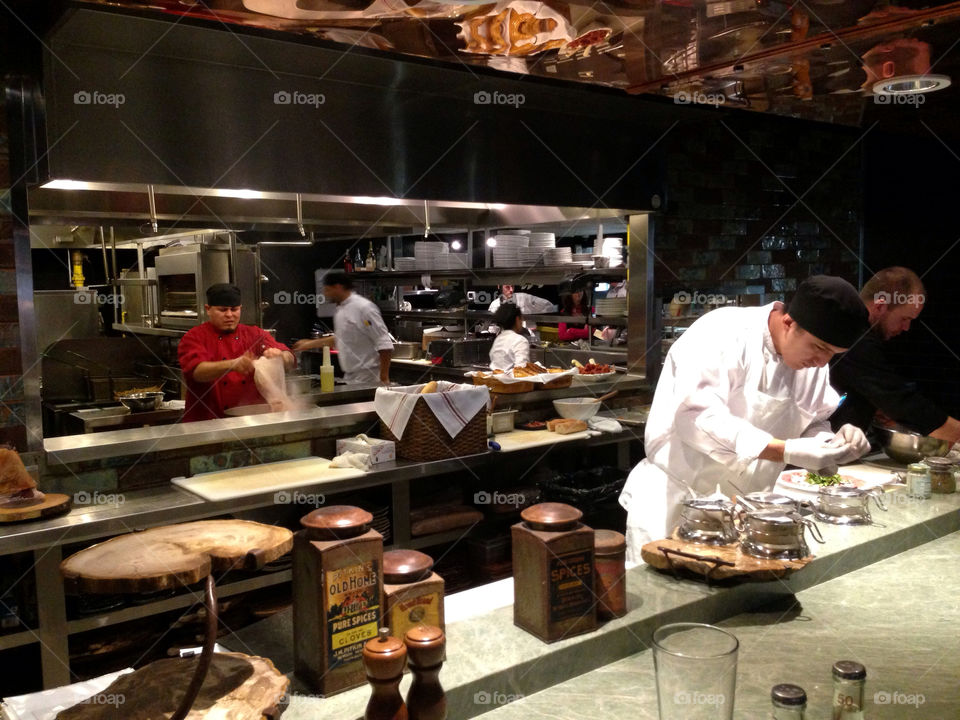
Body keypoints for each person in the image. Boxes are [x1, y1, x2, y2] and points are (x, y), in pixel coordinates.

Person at [619, 275, 872, 561]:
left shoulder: (812, 363)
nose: (822, 362)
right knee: (666, 601)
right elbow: (697, 419)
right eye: (819, 348)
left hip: (747, 512)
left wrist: (830, 442)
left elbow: (813, 420)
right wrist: (786, 451)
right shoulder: (722, 332)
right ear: (788, 322)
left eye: (833, 355)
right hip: (676, 504)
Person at [829, 267, 960, 443]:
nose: (906, 328)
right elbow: (902, 401)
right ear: (880, 305)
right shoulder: (855, 337)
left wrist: (874, 406)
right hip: (814, 451)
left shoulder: (853, 327)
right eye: (905, 319)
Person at [178, 283, 295, 422]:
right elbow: (197, 372)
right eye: (222, 310)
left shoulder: (254, 334)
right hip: (208, 423)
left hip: (250, 422)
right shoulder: (194, 337)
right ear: (208, 309)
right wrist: (232, 364)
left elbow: (289, 358)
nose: (229, 315)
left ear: (240, 308)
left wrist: (280, 356)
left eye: (234, 309)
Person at [293, 272, 392, 385]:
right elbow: (341, 338)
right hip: (350, 376)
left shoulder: (364, 308)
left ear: (338, 287)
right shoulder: (340, 309)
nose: (325, 294)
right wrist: (309, 344)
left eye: (327, 290)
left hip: (369, 376)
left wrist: (384, 378)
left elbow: (384, 343)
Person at [488, 284, 556, 333]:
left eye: (512, 286)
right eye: (507, 287)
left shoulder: (524, 298)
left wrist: (533, 319)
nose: (511, 290)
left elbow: (548, 305)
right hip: (507, 338)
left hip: (528, 337)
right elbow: (491, 326)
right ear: (499, 287)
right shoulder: (495, 304)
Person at [489, 304, 531, 370]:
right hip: (512, 380)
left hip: (495, 379)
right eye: (521, 319)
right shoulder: (520, 340)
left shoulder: (498, 339)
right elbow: (522, 369)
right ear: (517, 319)